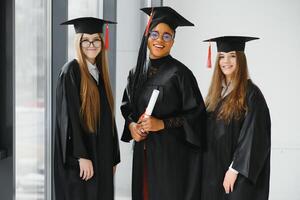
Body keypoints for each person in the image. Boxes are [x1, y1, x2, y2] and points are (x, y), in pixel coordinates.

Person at [121, 6, 206, 200]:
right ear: (147, 36)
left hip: (171, 157)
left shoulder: (180, 74)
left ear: (173, 41)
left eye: (167, 36)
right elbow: (128, 109)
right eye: (155, 34)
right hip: (142, 155)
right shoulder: (136, 73)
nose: (160, 40)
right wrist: (132, 125)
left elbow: (197, 115)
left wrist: (162, 124)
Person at [54, 17, 120, 200]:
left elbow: (108, 119)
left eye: (96, 39)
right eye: (86, 40)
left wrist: (113, 157)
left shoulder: (100, 73)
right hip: (83, 159)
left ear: (102, 41)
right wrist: (81, 156)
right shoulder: (71, 72)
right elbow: (69, 118)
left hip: (102, 156)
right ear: (78, 42)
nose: (91, 44)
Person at [201, 36, 271, 200]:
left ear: (240, 59)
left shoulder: (252, 94)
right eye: (222, 56)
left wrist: (234, 170)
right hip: (214, 172)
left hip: (237, 175)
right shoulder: (215, 94)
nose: (226, 61)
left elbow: (254, 137)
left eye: (232, 55)